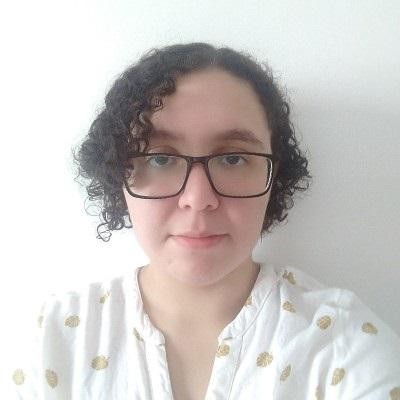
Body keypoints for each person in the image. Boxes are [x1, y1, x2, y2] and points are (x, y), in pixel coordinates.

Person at [10, 42, 400, 399]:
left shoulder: (342, 344)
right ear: (117, 175)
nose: (198, 201)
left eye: (233, 158)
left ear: (274, 176)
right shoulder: (56, 336)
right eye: (159, 158)